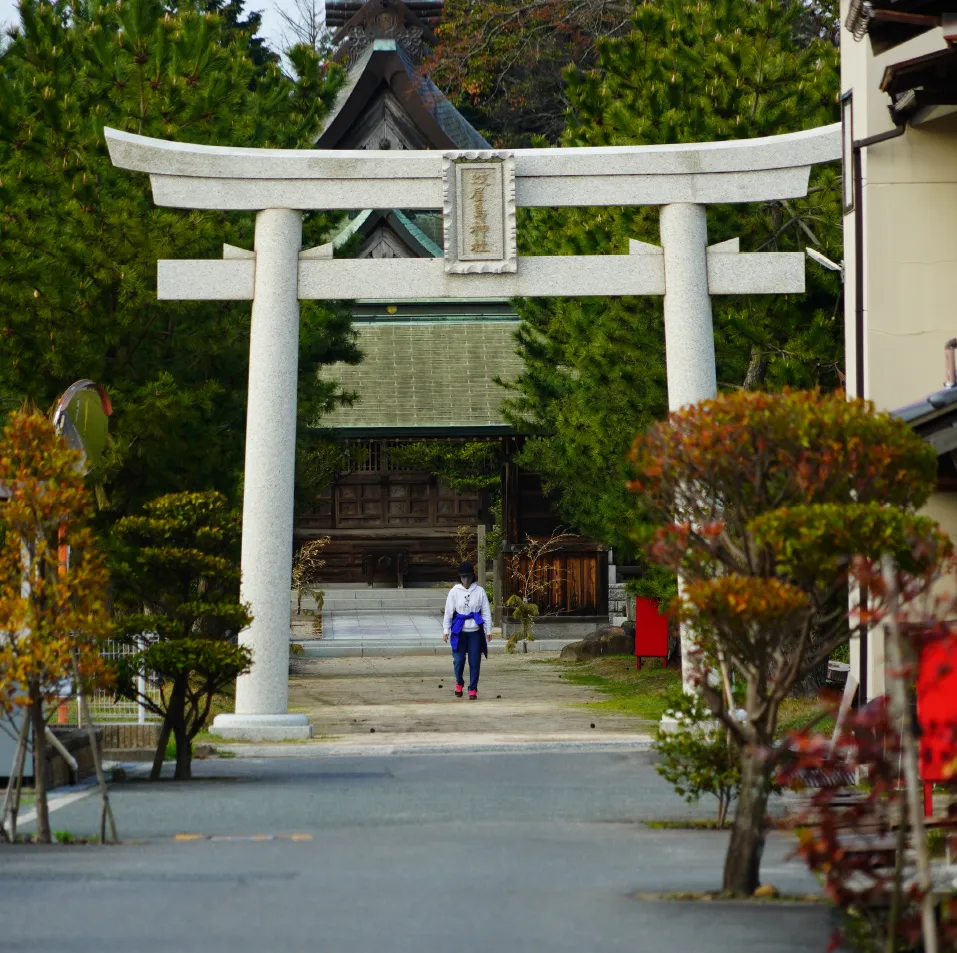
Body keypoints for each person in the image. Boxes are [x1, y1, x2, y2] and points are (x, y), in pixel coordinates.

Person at [442, 561, 492, 699]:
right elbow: (448, 612)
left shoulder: (479, 591)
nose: (466, 579)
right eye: (463, 576)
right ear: (460, 577)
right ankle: (459, 682)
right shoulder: (454, 592)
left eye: (468, 576)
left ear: (472, 576)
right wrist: (446, 630)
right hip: (460, 631)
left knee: (475, 661)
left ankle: (473, 688)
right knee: (458, 660)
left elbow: (486, 611)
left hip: (475, 631)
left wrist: (488, 630)